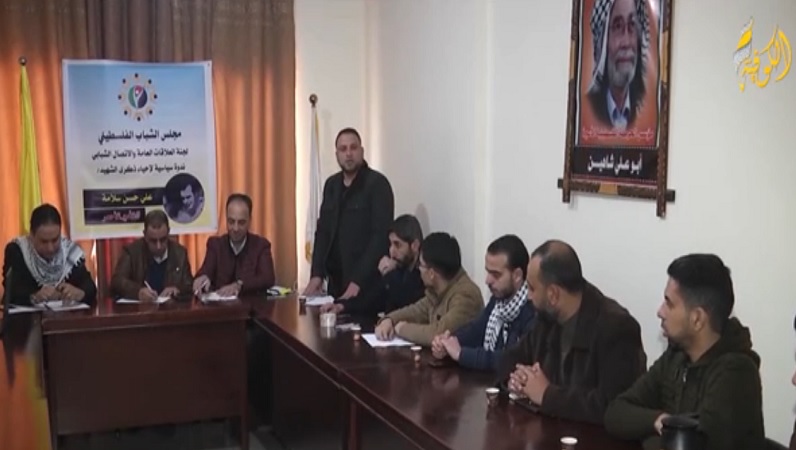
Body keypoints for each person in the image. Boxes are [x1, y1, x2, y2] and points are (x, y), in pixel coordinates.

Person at [604, 254, 765, 450]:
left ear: (697, 318)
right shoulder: (676, 356)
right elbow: (616, 412)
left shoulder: (736, 374)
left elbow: (697, 445)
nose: (660, 312)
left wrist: (650, 436)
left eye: (669, 303)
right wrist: (659, 421)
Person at [498, 240, 645, 425]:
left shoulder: (617, 328)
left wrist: (547, 395)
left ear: (553, 294)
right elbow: (510, 358)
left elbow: (613, 407)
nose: (528, 296)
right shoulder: (546, 318)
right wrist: (517, 379)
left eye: (532, 288)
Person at [302, 127, 394, 311]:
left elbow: (380, 237)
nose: (349, 154)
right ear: (337, 154)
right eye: (343, 149)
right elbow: (323, 231)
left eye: (353, 147)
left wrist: (358, 280)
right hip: (335, 281)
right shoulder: (332, 185)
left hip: (365, 284)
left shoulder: (377, 184)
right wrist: (317, 274)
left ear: (362, 151)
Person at [431, 234, 535, 372]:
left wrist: (461, 354)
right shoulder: (498, 301)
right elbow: (476, 330)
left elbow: (512, 360)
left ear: (517, 275)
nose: (487, 281)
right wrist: (447, 342)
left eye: (496, 275)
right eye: (488, 272)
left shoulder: (532, 310)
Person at [374, 232, 483, 346]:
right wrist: (389, 320)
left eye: (420, 265)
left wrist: (401, 329)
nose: (419, 269)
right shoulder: (437, 291)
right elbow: (416, 311)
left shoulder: (466, 296)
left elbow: (438, 333)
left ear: (431, 274)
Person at [321, 214, 424, 316]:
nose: (392, 251)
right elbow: (368, 301)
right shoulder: (398, 270)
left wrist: (387, 277)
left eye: (398, 245)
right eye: (391, 244)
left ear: (415, 246)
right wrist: (341, 306)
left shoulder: (423, 275)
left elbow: (404, 306)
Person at [2, 204, 97, 306]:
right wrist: (34, 296)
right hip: (26, 316)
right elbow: (11, 293)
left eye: (55, 240)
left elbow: (90, 287)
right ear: (32, 235)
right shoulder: (17, 251)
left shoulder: (70, 252)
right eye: (44, 241)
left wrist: (80, 293)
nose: (50, 248)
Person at [193, 193, 275, 297]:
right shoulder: (215, 245)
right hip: (219, 305)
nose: (235, 228)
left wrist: (239, 285)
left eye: (241, 223)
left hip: (250, 305)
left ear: (250, 221)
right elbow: (206, 270)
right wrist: (202, 277)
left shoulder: (261, 246)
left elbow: (267, 278)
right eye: (231, 222)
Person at [586, 0, 650, 130]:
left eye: (632, 25)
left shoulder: (644, 110)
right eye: (617, 26)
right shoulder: (588, 108)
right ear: (603, 43)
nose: (626, 42)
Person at [110, 210, 193, 301]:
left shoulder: (180, 253)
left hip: (170, 308)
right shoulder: (132, 252)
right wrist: (138, 292)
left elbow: (189, 285)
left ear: (168, 232)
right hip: (141, 308)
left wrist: (177, 290)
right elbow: (117, 282)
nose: (158, 246)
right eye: (153, 241)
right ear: (145, 235)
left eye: (163, 240)